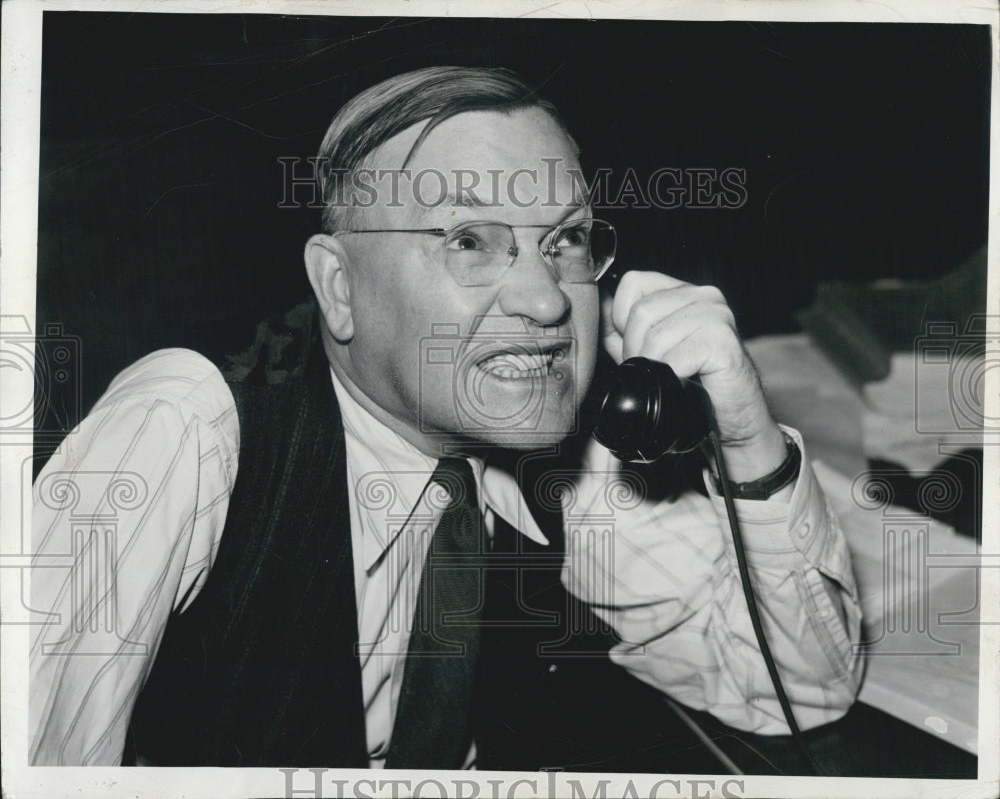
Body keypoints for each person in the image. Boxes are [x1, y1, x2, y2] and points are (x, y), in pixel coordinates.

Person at [29, 66, 862, 770]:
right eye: (469, 240)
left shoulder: (563, 445)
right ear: (340, 287)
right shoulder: (186, 430)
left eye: (565, 240)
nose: (544, 300)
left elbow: (799, 688)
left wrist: (750, 437)